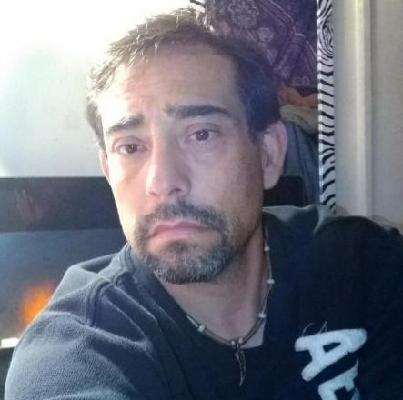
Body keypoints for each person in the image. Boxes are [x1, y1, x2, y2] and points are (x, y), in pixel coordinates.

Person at [5, 7, 403, 400]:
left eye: (201, 134)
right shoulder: (80, 350)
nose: (163, 182)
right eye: (130, 147)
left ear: (268, 154)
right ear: (108, 170)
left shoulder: (362, 264)